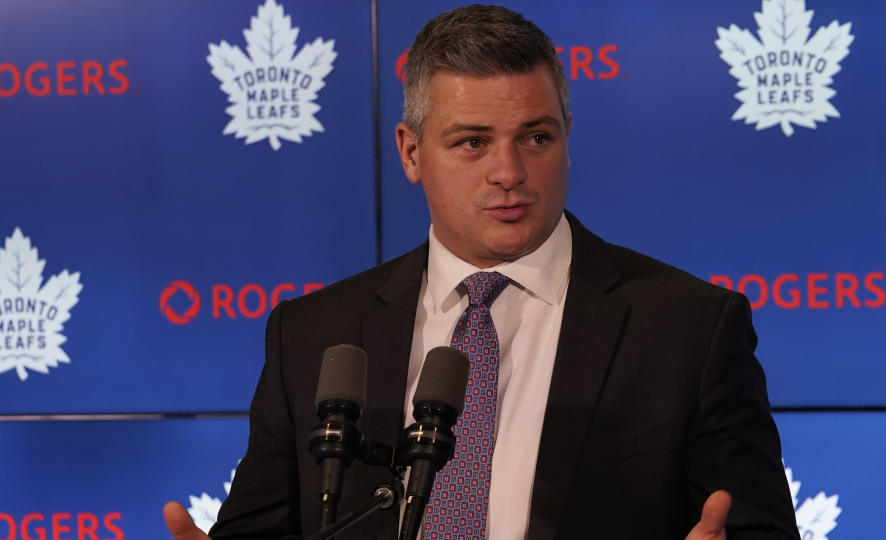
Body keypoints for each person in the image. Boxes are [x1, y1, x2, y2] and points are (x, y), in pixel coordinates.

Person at [165, 5, 799, 539]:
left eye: (537, 138)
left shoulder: (688, 328)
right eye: (472, 142)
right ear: (411, 153)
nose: (509, 172)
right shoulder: (310, 334)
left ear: (567, 138)